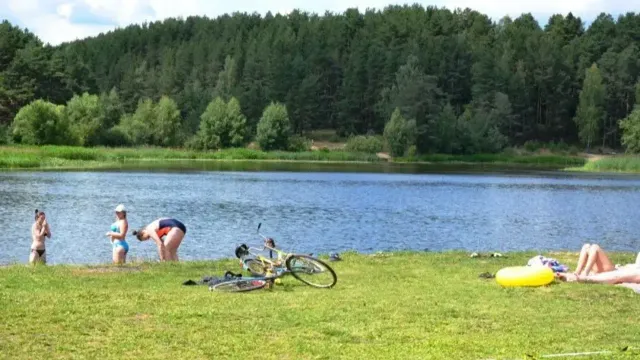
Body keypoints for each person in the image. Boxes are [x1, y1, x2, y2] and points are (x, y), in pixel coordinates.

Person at [556, 243, 640, 285]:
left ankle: (584, 274)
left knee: (595, 247)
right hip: (621, 269)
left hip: (614, 271)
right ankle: (577, 272)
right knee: (586, 246)